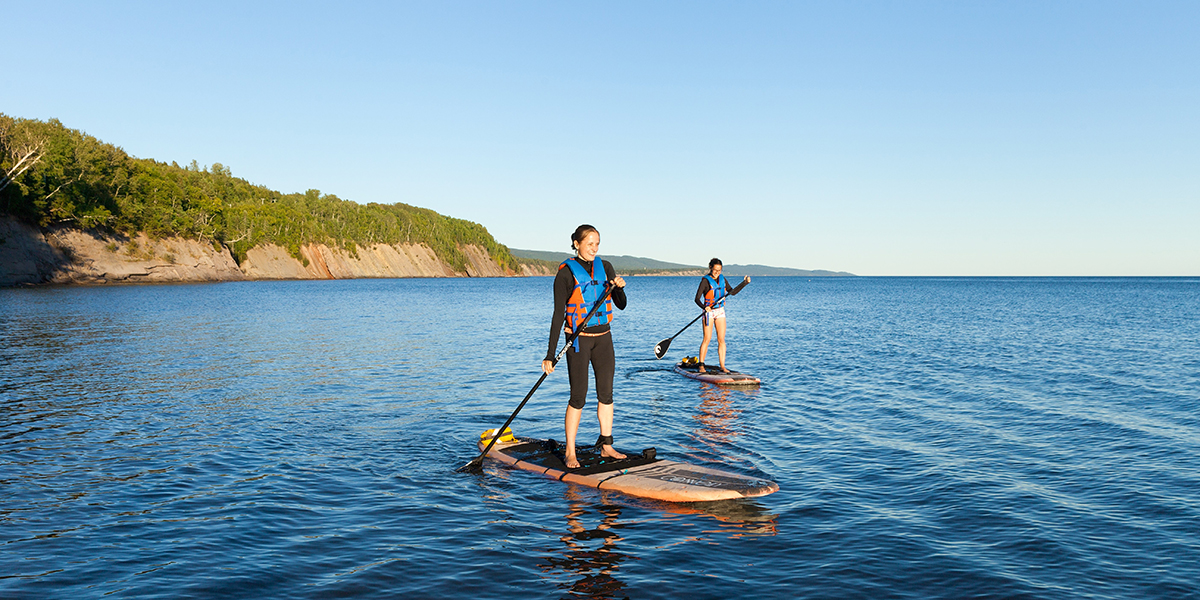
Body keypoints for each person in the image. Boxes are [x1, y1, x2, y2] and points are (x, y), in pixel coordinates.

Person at [543, 224, 628, 469]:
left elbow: (620, 304)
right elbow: (558, 315)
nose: (594, 248)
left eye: (597, 243)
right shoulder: (565, 274)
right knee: (578, 396)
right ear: (577, 244)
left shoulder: (607, 267)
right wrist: (550, 354)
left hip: (604, 338)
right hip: (578, 340)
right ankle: (570, 451)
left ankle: (607, 444)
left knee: (607, 394)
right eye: (589, 243)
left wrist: (619, 288)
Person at [694, 258, 749, 373]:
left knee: (721, 339)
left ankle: (722, 366)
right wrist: (704, 307)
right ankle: (701, 365)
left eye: (719, 270)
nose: (717, 273)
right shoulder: (705, 281)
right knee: (707, 339)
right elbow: (697, 299)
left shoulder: (722, 279)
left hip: (720, 311)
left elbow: (732, 292)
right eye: (715, 270)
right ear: (710, 268)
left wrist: (744, 283)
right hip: (708, 313)